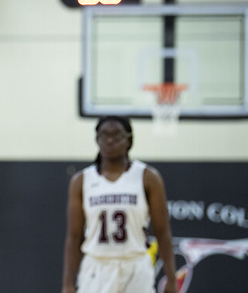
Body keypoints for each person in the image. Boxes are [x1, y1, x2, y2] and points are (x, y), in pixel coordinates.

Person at [61, 116, 178, 293]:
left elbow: (162, 231)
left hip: (136, 265)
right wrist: (68, 283)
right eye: (104, 135)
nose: (110, 140)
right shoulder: (81, 181)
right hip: (96, 267)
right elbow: (74, 236)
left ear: (129, 140)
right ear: (97, 139)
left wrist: (171, 277)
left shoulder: (148, 177)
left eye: (116, 135)